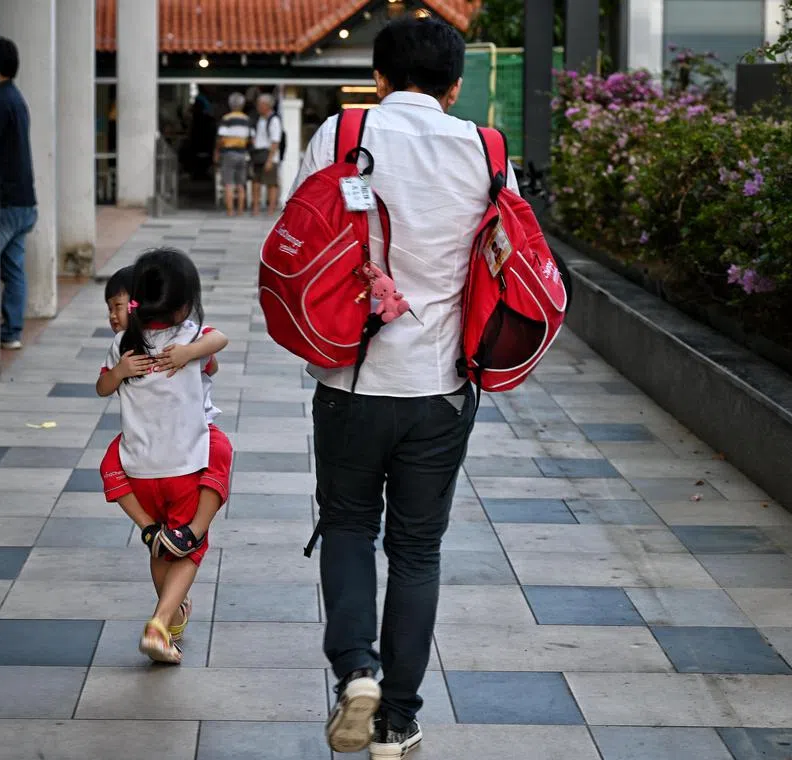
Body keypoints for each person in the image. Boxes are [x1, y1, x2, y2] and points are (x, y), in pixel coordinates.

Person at [289, 16, 519, 758]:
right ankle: (397, 721)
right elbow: (508, 257)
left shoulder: (342, 131)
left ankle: (357, 670)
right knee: (417, 551)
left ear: (378, 77)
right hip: (442, 388)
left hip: (350, 379)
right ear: (456, 86)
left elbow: (296, 228)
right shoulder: (485, 150)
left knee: (349, 525)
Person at [95, 249, 231, 664]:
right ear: (185, 303)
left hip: (139, 470)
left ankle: (170, 615)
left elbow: (102, 388)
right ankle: (159, 622)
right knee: (188, 547)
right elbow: (219, 343)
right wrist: (192, 354)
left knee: (161, 546)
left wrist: (119, 374)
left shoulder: (123, 344)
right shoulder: (189, 339)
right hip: (183, 467)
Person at [0, 36, 37, 350]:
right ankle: (12, 332)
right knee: (14, 269)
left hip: (7, 201)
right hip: (24, 200)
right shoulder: (17, 99)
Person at [214, 93, 252, 216]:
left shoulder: (227, 119)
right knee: (241, 184)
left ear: (231, 105)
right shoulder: (247, 119)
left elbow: (221, 137)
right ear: (242, 105)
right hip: (242, 154)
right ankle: (240, 210)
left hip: (228, 153)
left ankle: (230, 211)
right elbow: (251, 138)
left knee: (228, 183)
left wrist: (217, 151)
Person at [250, 93, 283, 216]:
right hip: (258, 154)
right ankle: (256, 208)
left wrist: (270, 160)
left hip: (269, 155)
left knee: (271, 183)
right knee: (256, 182)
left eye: (260, 104)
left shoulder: (274, 120)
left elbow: (275, 141)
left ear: (267, 105)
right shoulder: (259, 119)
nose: (258, 107)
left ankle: (271, 209)